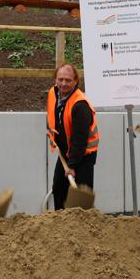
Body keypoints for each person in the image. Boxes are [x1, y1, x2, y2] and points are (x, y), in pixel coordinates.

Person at [46, 63, 99, 209]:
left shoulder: (80, 105)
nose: (63, 83)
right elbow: (55, 116)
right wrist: (51, 132)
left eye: (68, 80)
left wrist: (72, 165)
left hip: (83, 156)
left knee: (81, 201)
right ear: (55, 79)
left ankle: (83, 227)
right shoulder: (53, 93)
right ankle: (60, 223)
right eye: (60, 79)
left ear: (76, 81)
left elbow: (80, 140)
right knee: (58, 189)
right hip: (64, 152)